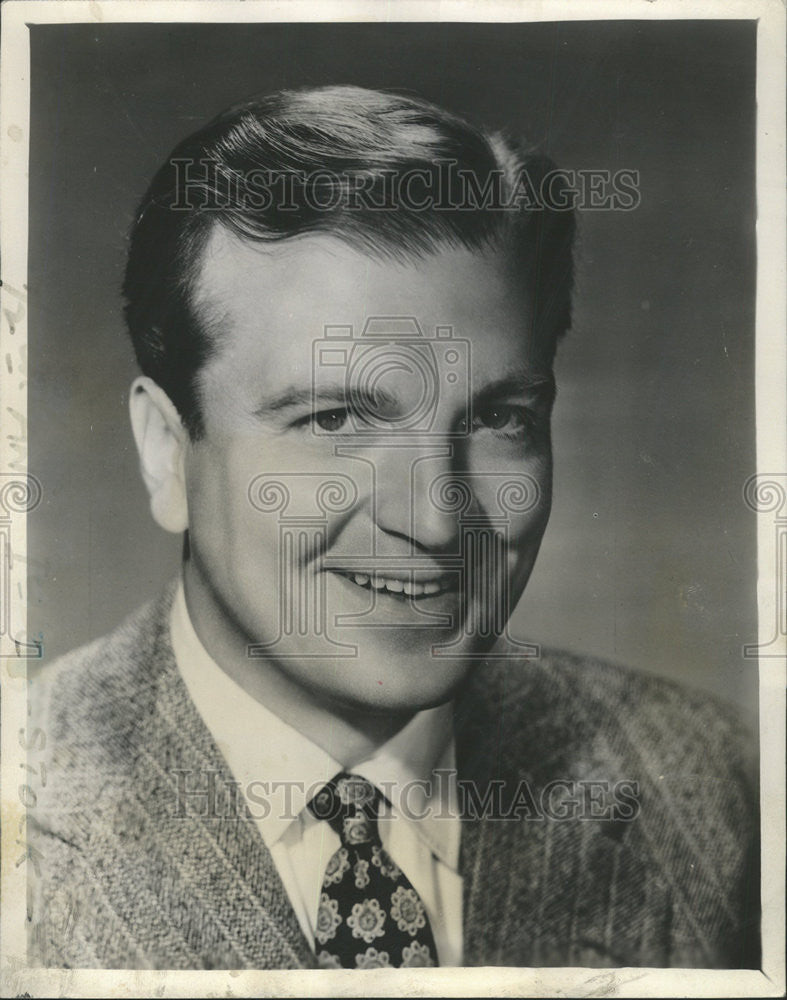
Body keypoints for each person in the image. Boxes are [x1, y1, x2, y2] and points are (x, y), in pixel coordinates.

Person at [28, 86, 759, 970]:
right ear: (167, 453)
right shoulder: (23, 822)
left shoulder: (711, 785)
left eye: (499, 419)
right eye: (336, 421)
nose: (433, 519)